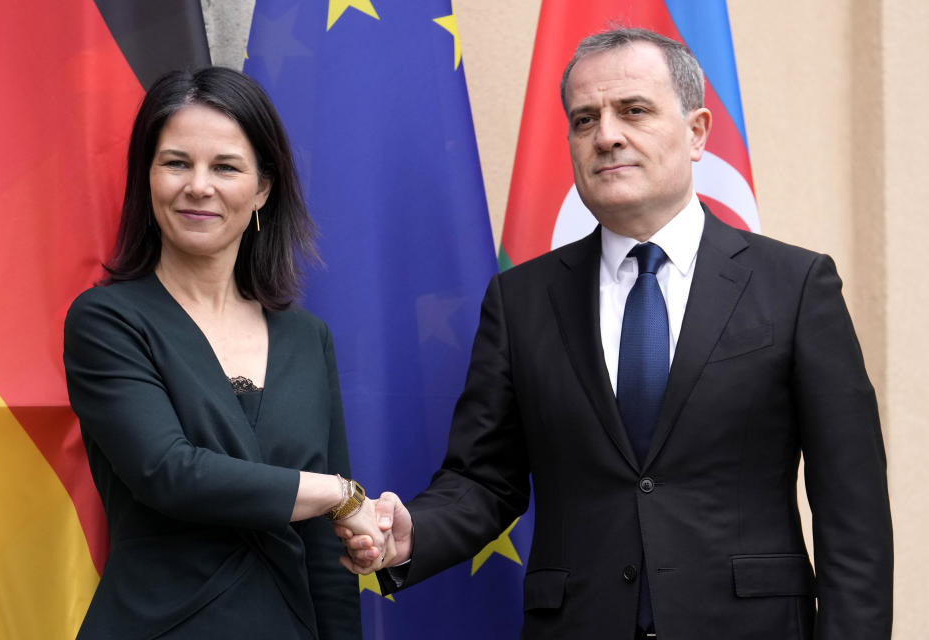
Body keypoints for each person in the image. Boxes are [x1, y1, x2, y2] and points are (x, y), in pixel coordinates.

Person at [337, 28, 893, 639]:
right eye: (584, 119)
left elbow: (853, 512)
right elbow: (483, 478)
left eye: (634, 110)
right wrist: (417, 530)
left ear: (698, 131)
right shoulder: (522, 300)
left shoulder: (795, 285)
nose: (606, 135)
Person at [64, 67, 384, 639]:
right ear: (147, 177)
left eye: (226, 167)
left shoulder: (308, 338)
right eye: (177, 162)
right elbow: (169, 473)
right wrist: (337, 494)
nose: (199, 186)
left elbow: (325, 555)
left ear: (263, 188)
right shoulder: (105, 321)